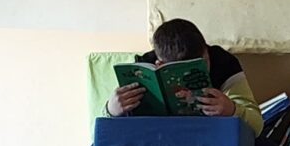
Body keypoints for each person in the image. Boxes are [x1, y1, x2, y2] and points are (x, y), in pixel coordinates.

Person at [106, 19, 262, 133]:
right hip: (155, 139)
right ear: (160, 64)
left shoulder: (223, 62)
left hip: (209, 137)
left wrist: (232, 110)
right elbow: (110, 130)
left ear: (206, 51)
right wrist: (111, 110)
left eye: (202, 63)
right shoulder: (142, 69)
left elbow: (257, 125)